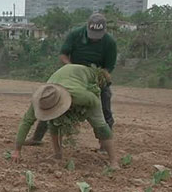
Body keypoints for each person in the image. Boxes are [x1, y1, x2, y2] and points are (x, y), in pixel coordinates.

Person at [26, 13, 117, 145]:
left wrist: (99, 77)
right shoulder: (75, 35)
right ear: (87, 27)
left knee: (105, 107)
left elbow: (109, 68)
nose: (95, 39)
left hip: (94, 79)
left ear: (104, 30)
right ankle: (37, 138)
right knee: (51, 100)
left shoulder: (109, 42)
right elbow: (63, 55)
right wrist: (70, 69)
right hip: (73, 77)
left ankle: (105, 144)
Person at [13, 62, 119, 169]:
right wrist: (17, 150)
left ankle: (114, 161)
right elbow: (26, 122)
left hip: (85, 84)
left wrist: (82, 117)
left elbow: (95, 101)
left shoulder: (81, 96)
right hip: (65, 78)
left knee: (101, 127)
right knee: (54, 122)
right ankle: (57, 154)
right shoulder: (43, 97)